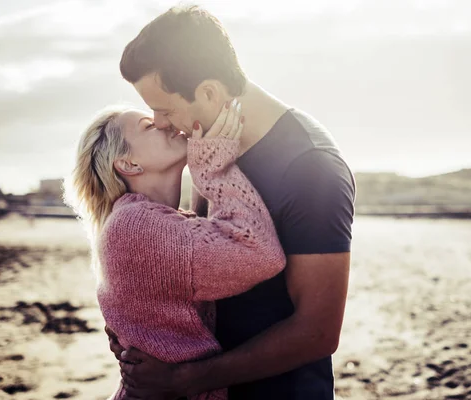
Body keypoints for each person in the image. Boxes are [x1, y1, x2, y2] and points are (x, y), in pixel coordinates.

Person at [110, 5, 356, 400]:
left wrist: (184, 380)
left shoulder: (311, 168)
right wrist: (136, 326)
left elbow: (318, 331)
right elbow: (199, 263)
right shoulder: (207, 146)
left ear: (208, 92)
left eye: (165, 109)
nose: (157, 122)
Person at [65, 101, 286, 400]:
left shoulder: (142, 220)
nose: (164, 122)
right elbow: (262, 255)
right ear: (129, 164)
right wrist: (214, 167)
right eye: (148, 126)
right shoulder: (138, 225)